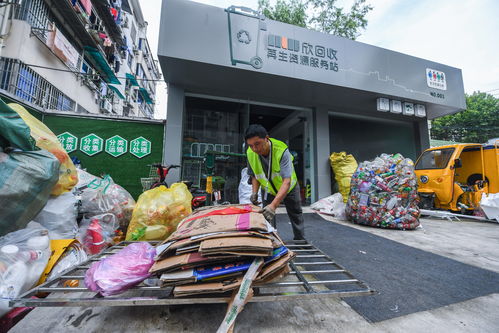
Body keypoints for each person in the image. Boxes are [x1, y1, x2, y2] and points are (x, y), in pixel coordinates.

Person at [245, 124, 305, 240]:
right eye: (251, 145)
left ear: (266, 138)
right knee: (267, 216)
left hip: (289, 187)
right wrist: (254, 193)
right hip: (269, 189)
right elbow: (255, 176)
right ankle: (272, 240)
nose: (255, 149)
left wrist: (273, 205)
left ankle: (300, 239)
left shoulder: (281, 150)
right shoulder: (250, 153)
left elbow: (286, 181)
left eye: (257, 144)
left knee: (296, 213)